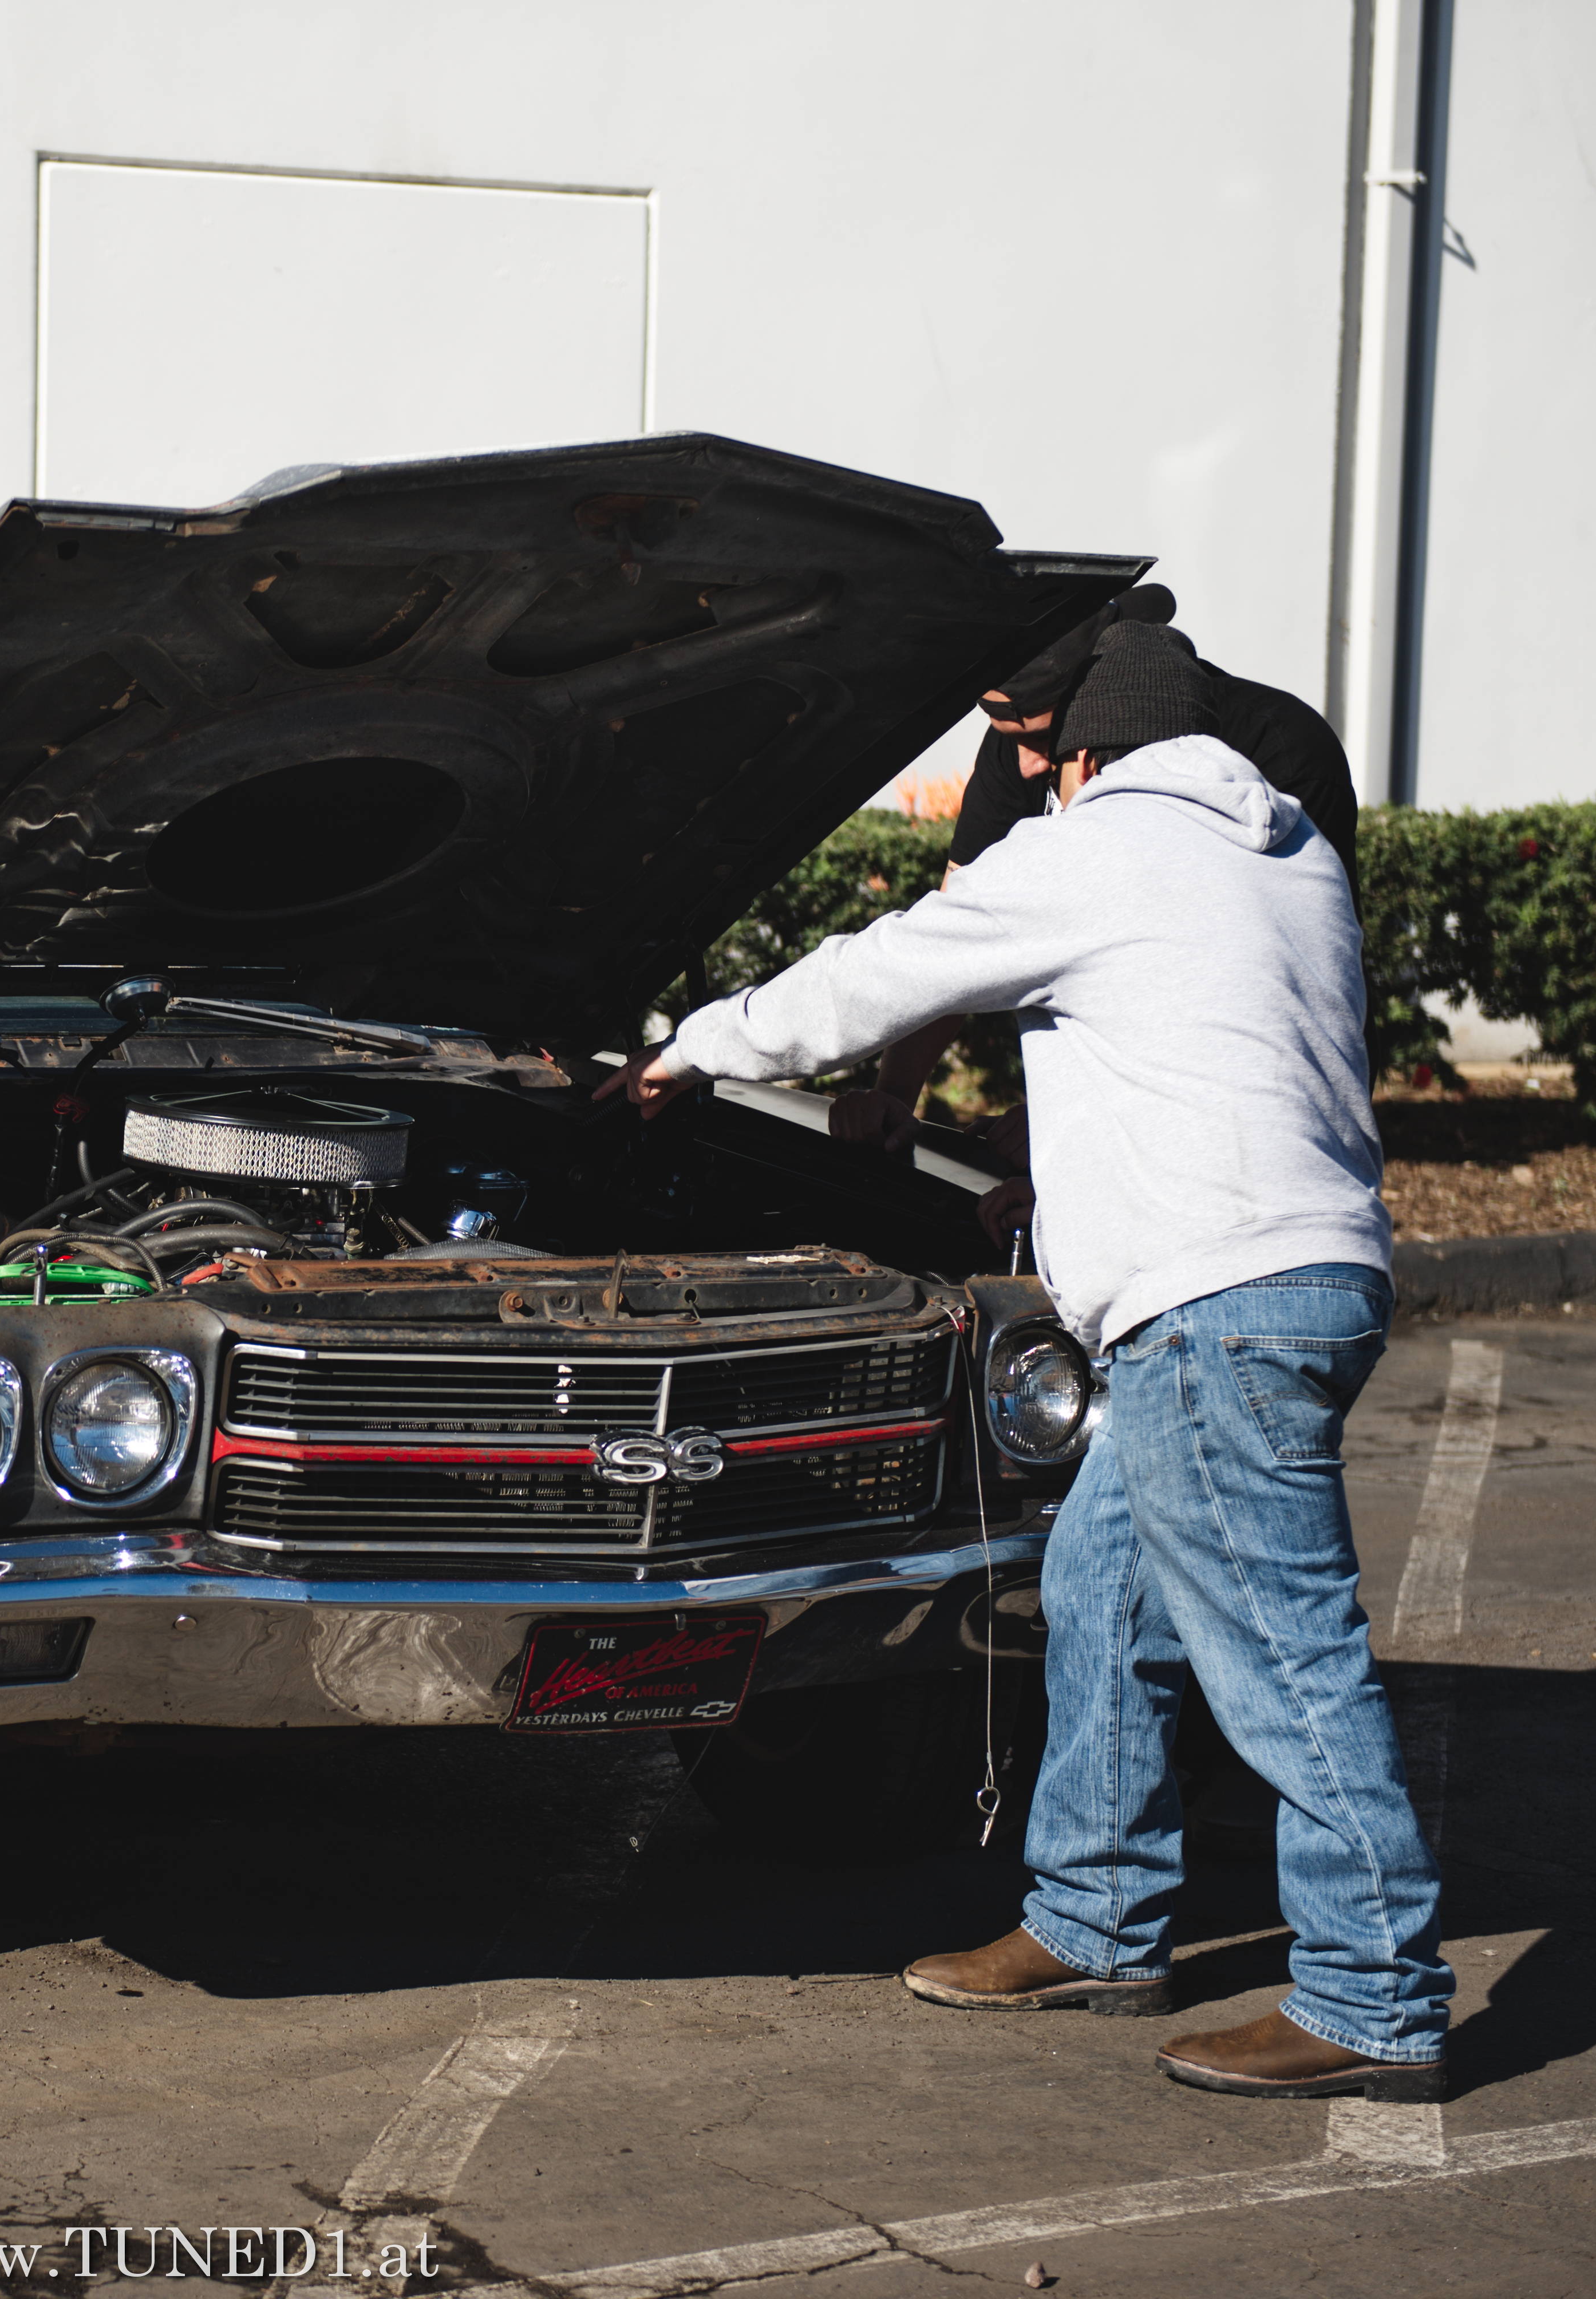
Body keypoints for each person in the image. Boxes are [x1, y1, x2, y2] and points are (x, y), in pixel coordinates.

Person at [601, 621, 1451, 2100]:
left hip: (1215, 1308)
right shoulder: (1284, 850)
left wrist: (689, 1050)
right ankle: (1093, 1921)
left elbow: (870, 981)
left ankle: (1373, 1992)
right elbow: (1203, 1048)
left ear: (1085, 756)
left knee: (1281, 1655)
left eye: (1047, 756)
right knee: (1100, 1592)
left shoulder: (1101, 847)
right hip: (1301, 1275)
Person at [829, 586, 1360, 1174]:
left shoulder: (1280, 751)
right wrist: (894, 1095)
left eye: (1041, 738)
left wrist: (1077, 1125)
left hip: (1261, 1132)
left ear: (1107, 700)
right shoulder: (1022, 743)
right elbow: (951, 934)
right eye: (1008, 736)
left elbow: (1258, 993)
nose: (1026, 765)